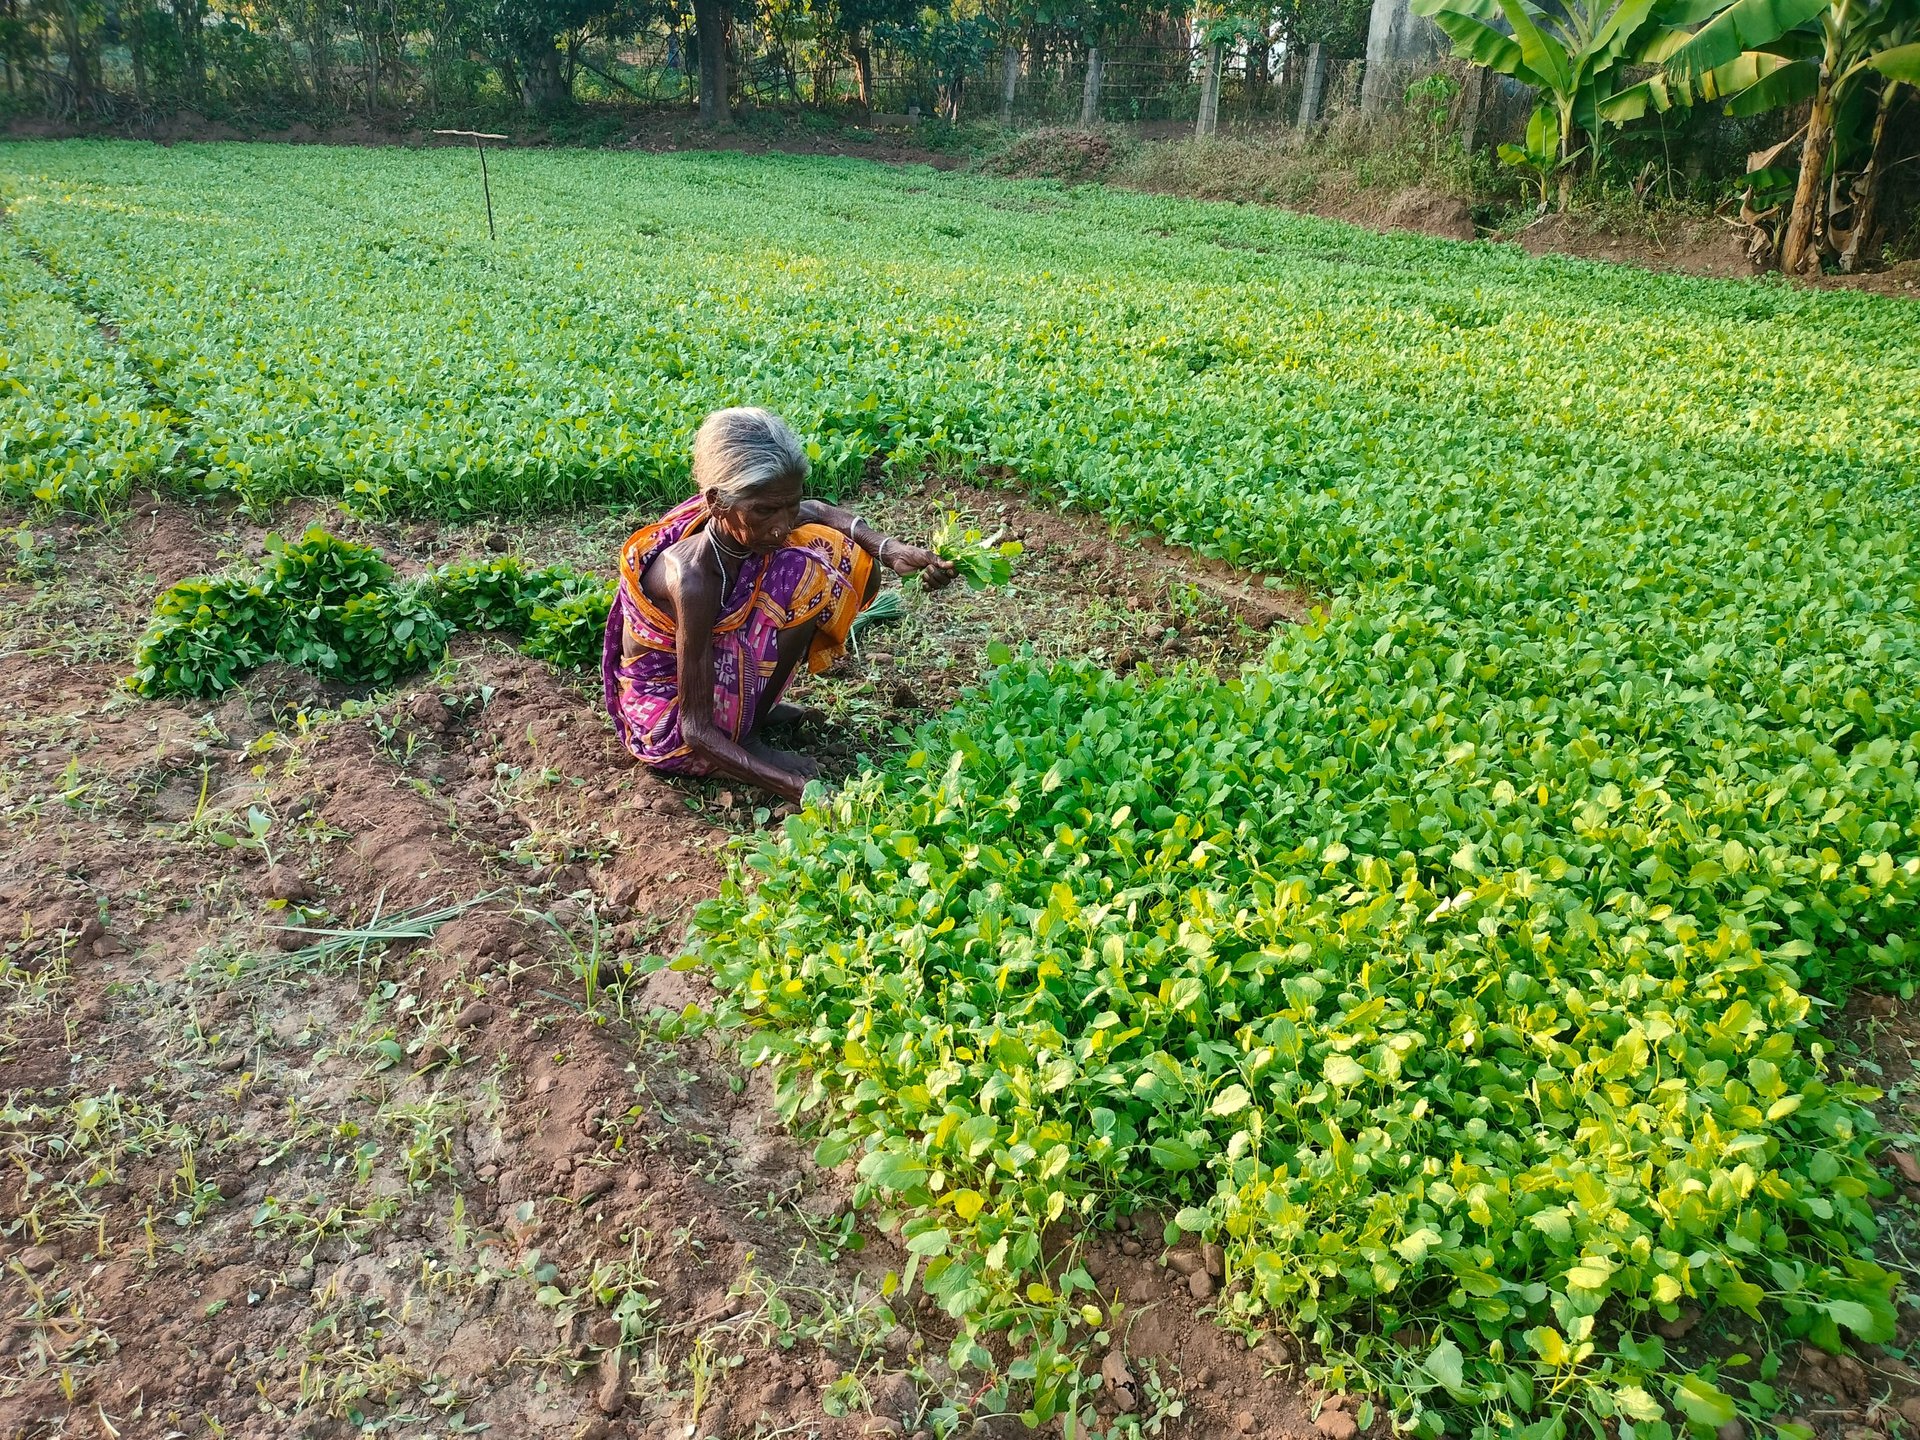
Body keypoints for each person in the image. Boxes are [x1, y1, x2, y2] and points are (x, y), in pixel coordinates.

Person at [602, 407, 955, 802]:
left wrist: (888, 549)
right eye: (766, 511)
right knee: (796, 567)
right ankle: (744, 738)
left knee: (817, 561)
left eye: (788, 505)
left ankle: (750, 715)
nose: (781, 524)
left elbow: (817, 510)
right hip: (670, 718)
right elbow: (694, 730)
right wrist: (795, 788)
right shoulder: (693, 578)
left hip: (707, 671)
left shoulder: (755, 512)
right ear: (717, 502)